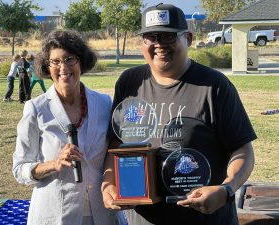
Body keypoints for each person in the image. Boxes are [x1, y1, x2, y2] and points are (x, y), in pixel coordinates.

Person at [102, 3, 256, 225]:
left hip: (205, 219)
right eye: (151, 37)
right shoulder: (129, 83)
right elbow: (116, 144)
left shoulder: (215, 86)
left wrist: (226, 189)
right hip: (145, 219)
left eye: (168, 36)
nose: (159, 44)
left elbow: (243, 150)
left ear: (189, 39)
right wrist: (108, 182)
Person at [13, 30, 120, 225]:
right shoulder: (36, 109)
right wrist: (54, 164)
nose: (63, 67)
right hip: (56, 216)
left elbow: (114, 154)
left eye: (69, 59)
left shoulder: (105, 103)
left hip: (103, 213)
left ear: (81, 61)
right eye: (55, 61)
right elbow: (20, 169)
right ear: (47, 66)